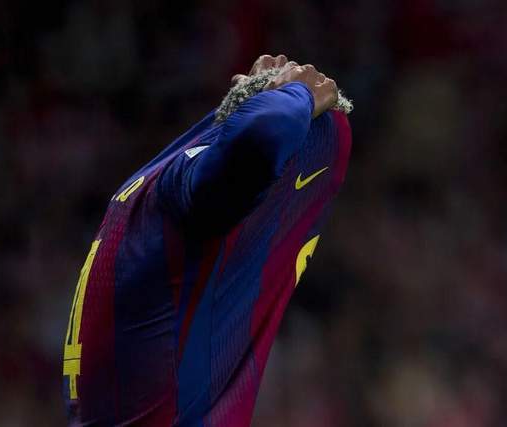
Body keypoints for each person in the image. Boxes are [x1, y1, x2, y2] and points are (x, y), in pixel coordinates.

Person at [62, 54, 353, 426]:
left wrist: (275, 97)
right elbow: (266, 131)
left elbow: (257, 133)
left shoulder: (156, 189)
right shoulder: (181, 196)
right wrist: (295, 96)